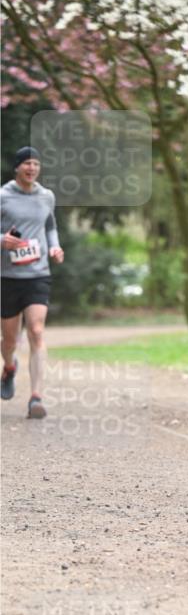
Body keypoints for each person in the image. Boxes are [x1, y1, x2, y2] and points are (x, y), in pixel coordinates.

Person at [1, 147, 64, 418]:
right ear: (17, 167)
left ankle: (36, 398)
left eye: (36, 163)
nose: (31, 168)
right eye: (26, 163)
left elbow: (50, 226)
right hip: (7, 276)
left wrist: (55, 247)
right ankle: (9, 366)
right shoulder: (3, 196)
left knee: (37, 331)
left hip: (38, 274)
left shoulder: (46, 196)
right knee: (9, 339)